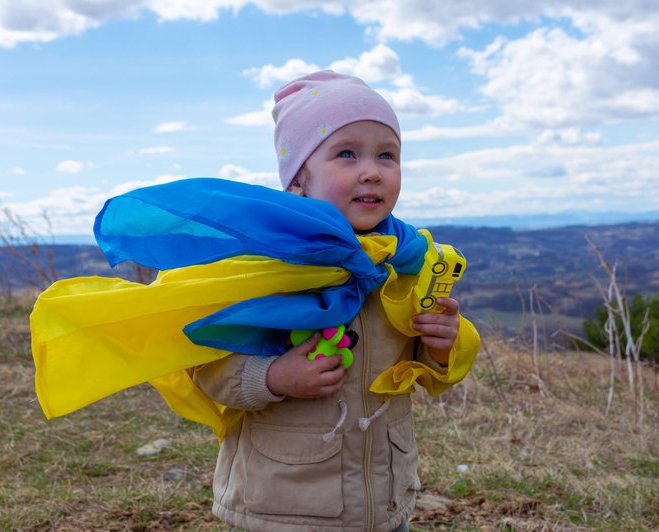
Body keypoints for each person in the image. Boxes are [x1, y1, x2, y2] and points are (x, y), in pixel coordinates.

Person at [192, 71, 480, 531]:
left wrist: (441, 345)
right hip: (282, 508)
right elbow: (206, 367)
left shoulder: (409, 261)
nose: (372, 170)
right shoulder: (266, 267)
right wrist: (274, 376)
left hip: (382, 502)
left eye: (387, 154)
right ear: (298, 182)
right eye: (347, 153)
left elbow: (426, 367)